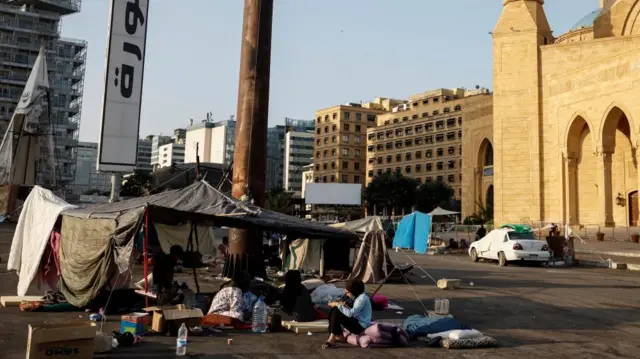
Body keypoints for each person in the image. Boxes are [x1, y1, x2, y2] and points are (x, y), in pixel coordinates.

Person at [322, 279, 372, 349]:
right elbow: (354, 311)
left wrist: (338, 305)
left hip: (360, 326)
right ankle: (336, 336)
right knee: (335, 309)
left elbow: (351, 313)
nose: (347, 295)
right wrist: (344, 306)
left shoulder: (362, 298)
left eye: (348, 293)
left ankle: (333, 338)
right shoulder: (358, 297)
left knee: (336, 309)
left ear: (354, 291)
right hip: (356, 321)